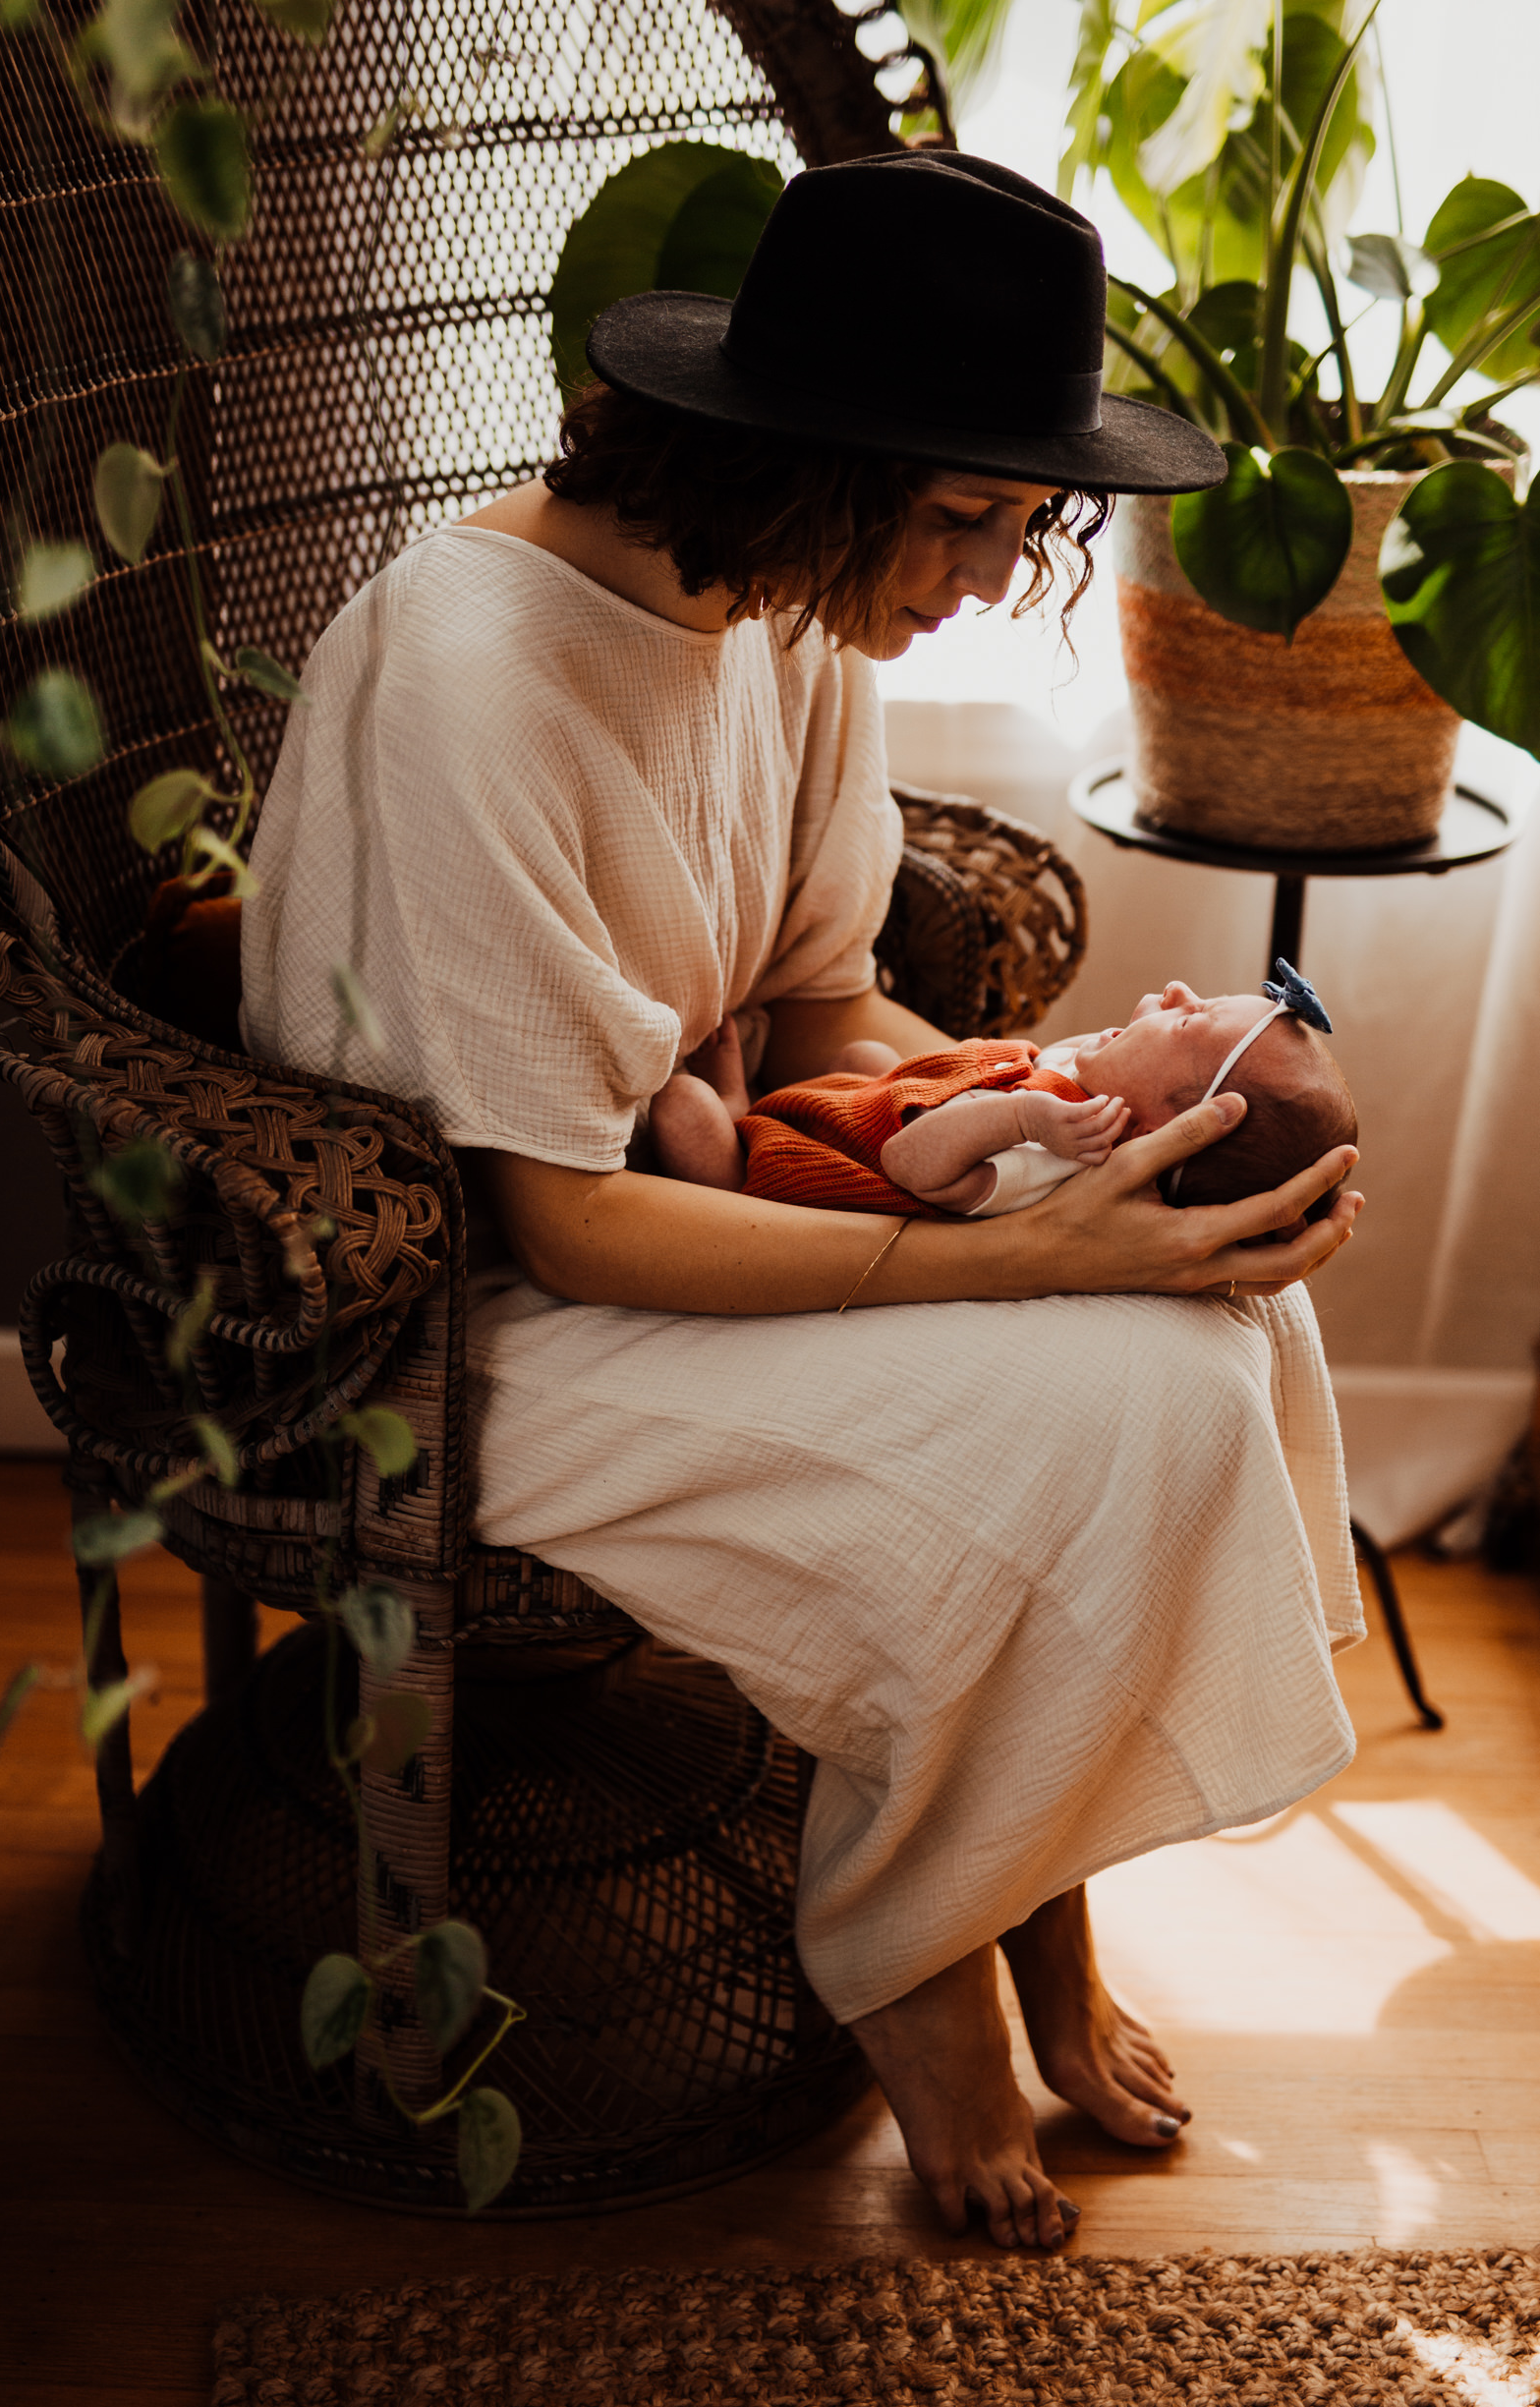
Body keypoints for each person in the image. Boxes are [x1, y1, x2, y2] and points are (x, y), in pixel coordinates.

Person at [240, 152, 1366, 2252]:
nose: (977, 579)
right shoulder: (472, 670)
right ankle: (917, 1952)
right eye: (955, 519)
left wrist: (1050, 1124)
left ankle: (1023, 1881)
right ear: (793, 455)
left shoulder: (784, 604)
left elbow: (823, 995)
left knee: (1223, 1318)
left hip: (702, 1196)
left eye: (1020, 527)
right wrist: (1021, 1253)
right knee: (1101, 1405)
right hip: (469, 1311)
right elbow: (562, 1225)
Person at [651, 965, 1357, 1224]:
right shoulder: (1090, 1086)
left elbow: (907, 1163)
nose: (1175, 991)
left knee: (683, 1110)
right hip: (854, 1112)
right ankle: (751, 1111)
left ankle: (736, 1135)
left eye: (1186, 1019)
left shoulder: (1049, 1156)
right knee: (867, 1059)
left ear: (1157, 1127)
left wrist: (1022, 1113)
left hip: (793, 1181)